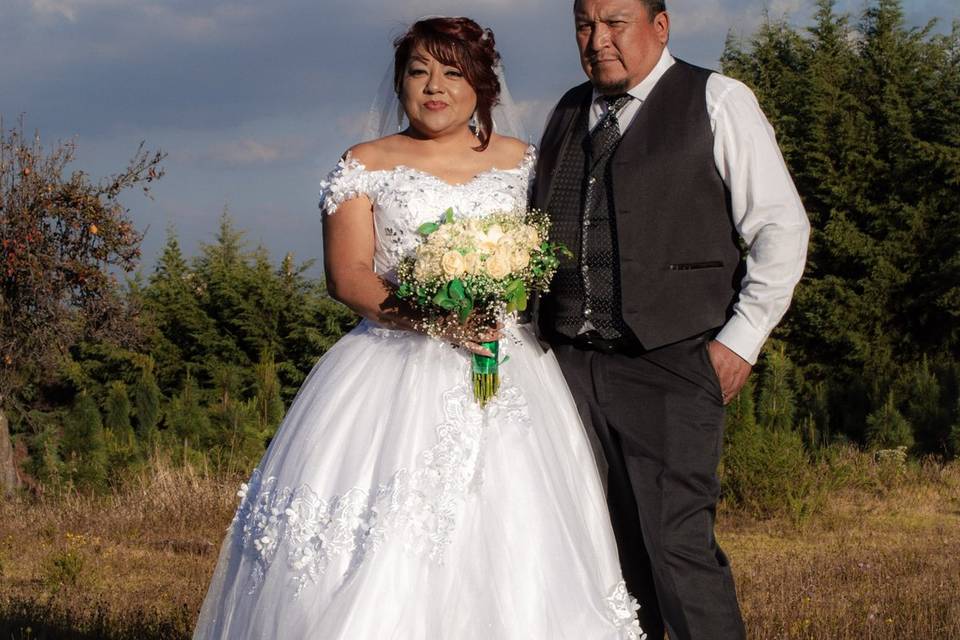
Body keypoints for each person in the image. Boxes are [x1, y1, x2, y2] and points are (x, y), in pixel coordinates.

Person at [193, 16, 644, 640]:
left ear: (481, 84)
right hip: (391, 364)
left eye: (453, 72)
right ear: (400, 82)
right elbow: (348, 276)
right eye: (419, 71)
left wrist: (500, 298)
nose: (434, 86)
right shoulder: (364, 164)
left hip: (510, 366)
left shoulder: (524, 163)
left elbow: (550, 255)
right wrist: (439, 321)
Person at [532, 1, 810, 639]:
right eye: (584, 25)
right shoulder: (565, 112)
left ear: (660, 26)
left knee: (677, 547)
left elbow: (781, 229)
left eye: (615, 23)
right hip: (571, 368)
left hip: (675, 360)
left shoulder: (718, 99)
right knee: (601, 550)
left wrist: (739, 343)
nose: (597, 40)